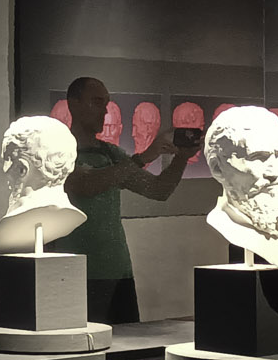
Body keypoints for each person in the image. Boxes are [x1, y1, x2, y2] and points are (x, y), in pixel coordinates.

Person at [61, 76, 191, 322]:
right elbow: (87, 185)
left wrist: (182, 158)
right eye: (96, 102)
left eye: (106, 103)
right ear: (73, 104)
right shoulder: (58, 153)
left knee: (127, 339)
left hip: (117, 271)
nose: (104, 111)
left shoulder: (110, 153)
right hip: (74, 272)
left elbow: (158, 190)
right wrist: (143, 157)